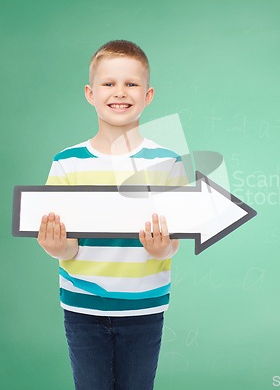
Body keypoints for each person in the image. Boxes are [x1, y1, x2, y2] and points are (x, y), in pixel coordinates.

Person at [36, 40, 188, 390]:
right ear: (90, 93)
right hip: (82, 308)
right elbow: (67, 246)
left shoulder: (167, 161)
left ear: (148, 95)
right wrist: (57, 247)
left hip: (144, 307)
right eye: (109, 83)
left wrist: (161, 248)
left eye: (131, 84)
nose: (120, 92)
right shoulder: (66, 162)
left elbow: (175, 242)